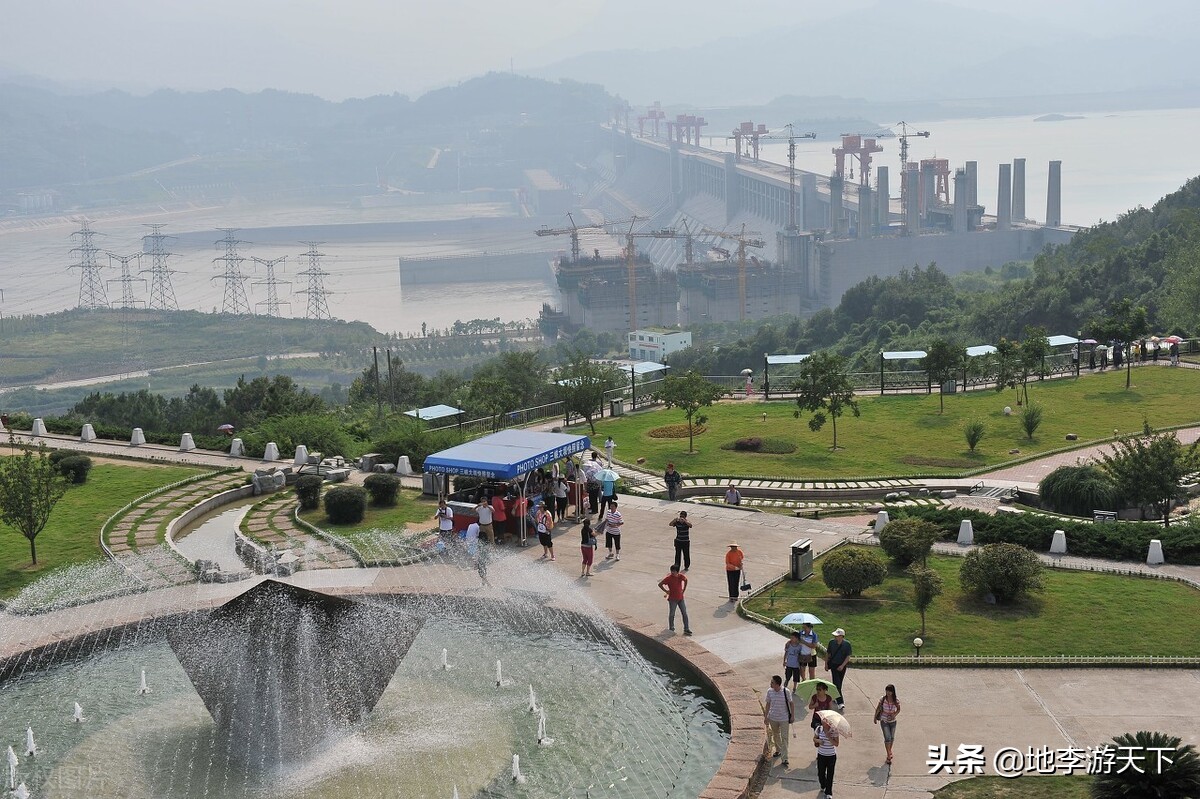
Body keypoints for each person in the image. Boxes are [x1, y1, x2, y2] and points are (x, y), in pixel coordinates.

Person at [762, 675, 793, 768]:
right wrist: (766, 716)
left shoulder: (786, 692)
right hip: (773, 718)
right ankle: (778, 750)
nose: (770, 684)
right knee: (776, 735)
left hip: (784, 718)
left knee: (784, 737)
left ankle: (785, 758)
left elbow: (791, 703)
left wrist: (792, 716)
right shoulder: (769, 691)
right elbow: (768, 704)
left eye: (772, 682)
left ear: (777, 684)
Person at [657, 564, 692, 635]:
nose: (672, 573)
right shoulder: (668, 578)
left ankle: (686, 628)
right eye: (671, 571)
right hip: (672, 599)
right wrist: (666, 591)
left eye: (674, 571)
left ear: (677, 572)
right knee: (672, 614)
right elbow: (660, 584)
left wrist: (684, 590)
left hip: (680, 598)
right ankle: (671, 628)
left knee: (684, 613)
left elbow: (686, 580)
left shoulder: (680, 576)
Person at [824, 628, 852, 710]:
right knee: (837, 684)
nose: (835, 637)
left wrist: (842, 665)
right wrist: (826, 664)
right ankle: (840, 702)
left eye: (837, 636)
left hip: (842, 665)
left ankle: (835, 696)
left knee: (839, 683)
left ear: (841, 636)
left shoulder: (847, 644)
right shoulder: (831, 643)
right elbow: (828, 653)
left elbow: (848, 656)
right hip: (833, 665)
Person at [874, 683, 901, 765]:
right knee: (887, 738)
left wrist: (894, 714)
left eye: (890, 691)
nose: (888, 693)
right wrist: (875, 717)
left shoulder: (896, 700)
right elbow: (878, 708)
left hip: (893, 721)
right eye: (887, 691)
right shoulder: (883, 699)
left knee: (892, 738)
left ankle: (889, 751)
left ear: (893, 692)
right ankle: (889, 756)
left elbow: (899, 709)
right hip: (884, 720)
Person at [814, 715, 840, 799]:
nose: (823, 721)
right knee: (820, 773)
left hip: (831, 755)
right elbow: (814, 739)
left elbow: (836, 744)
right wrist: (819, 741)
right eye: (822, 719)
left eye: (825, 720)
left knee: (830, 774)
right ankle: (823, 784)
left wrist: (829, 737)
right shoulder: (819, 729)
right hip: (821, 755)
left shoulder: (834, 730)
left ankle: (829, 792)